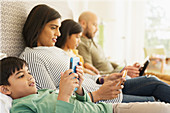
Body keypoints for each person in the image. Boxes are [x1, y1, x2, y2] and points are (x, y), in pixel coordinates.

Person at [19, 4, 170, 104]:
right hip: (99, 97)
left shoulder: (56, 50)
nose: (58, 33)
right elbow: (52, 98)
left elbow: (83, 76)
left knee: (153, 81)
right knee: (154, 100)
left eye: (59, 28)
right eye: (53, 28)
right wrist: (96, 94)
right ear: (38, 27)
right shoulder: (32, 57)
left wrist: (103, 78)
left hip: (102, 87)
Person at [1, 57, 170, 113]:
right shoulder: (21, 107)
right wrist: (64, 95)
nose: (30, 77)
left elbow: (79, 104)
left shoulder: (42, 92)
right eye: (21, 76)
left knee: (162, 106)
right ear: (4, 89)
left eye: (29, 72)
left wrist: (80, 89)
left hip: (107, 108)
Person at [77, 11, 170, 103]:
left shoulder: (94, 43)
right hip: (114, 79)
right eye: (94, 25)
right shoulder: (81, 45)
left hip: (118, 74)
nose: (97, 29)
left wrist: (125, 68)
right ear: (83, 23)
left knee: (155, 76)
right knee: (152, 80)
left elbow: (107, 63)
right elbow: (94, 73)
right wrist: (120, 72)